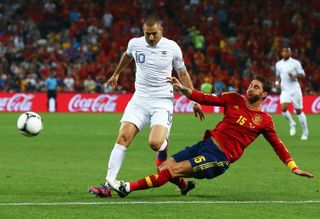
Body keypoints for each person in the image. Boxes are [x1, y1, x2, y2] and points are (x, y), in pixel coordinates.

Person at [106, 75, 314, 198]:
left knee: (170, 170)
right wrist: (183, 88)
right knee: (162, 169)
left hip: (218, 159)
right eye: (251, 84)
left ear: (264, 94)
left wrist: (293, 166)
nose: (251, 87)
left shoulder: (264, 121)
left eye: (256, 87)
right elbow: (204, 97)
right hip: (205, 145)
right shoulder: (233, 99)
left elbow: (277, 145)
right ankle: (185, 186)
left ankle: (127, 188)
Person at [88, 14, 204, 197]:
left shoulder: (172, 47)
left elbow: (183, 74)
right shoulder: (135, 43)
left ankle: (164, 144)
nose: (150, 38)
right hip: (140, 98)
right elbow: (127, 56)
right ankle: (107, 184)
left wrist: (195, 100)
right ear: (143, 32)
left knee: (155, 143)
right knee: (123, 136)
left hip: (162, 101)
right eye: (147, 34)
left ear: (161, 31)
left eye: (154, 34)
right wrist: (116, 74)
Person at [275, 47, 309, 140]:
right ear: (282, 53)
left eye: (287, 51)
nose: (285, 52)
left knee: (298, 111)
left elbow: (303, 75)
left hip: (295, 89)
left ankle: (305, 132)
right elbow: (278, 76)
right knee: (284, 109)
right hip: (285, 90)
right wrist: (277, 83)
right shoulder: (278, 64)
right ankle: (292, 123)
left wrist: (294, 75)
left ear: (290, 53)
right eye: (284, 51)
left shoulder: (295, 63)